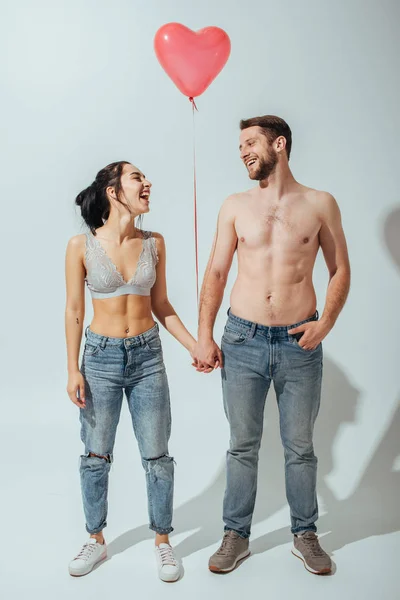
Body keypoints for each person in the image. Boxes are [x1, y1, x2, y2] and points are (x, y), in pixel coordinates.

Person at [193, 116, 351, 575]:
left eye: (250, 143)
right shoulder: (234, 206)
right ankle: (235, 535)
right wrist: (204, 335)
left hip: (300, 341)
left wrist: (326, 323)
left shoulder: (320, 203)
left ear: (279, 145)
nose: (243, 152)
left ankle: (305, 534)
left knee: (299, 445)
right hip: (242, 339)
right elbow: (217, 272)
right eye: (240, 144)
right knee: (242, 444)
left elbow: (340, 268)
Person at [65, 161, 195, 581]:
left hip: (146, 357)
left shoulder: (154, 241)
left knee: (157, 454)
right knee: (96, 453)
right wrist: (73, 368)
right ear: (113, 190)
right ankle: (95, 539)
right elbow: (73, 310)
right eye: (138, 177)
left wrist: (196, 347)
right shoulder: (80, 245)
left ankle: (162, 541)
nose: (148, 183)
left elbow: (163, 306)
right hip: (99, 358)